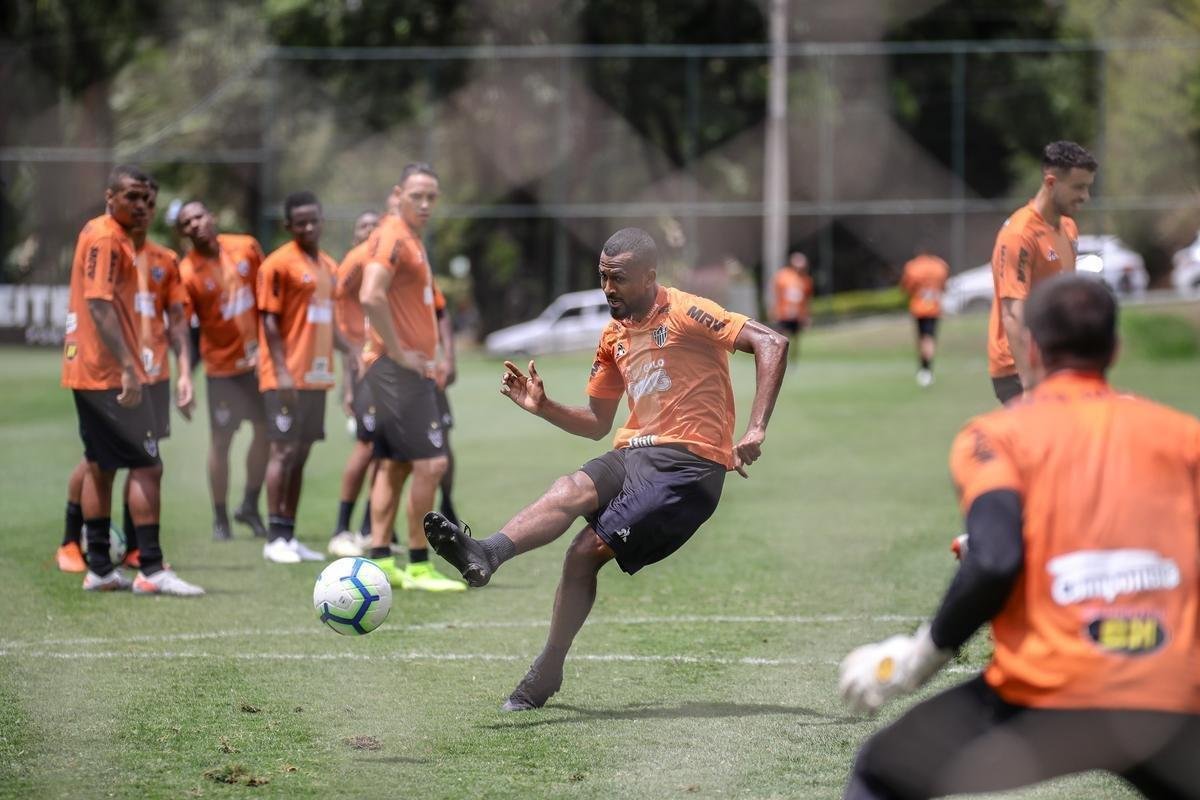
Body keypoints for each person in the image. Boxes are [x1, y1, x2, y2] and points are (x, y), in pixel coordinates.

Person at [839, 273, 1200, 799]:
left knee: (881, 774)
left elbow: (995, 560)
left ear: (1030, 348)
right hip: (1165, 691)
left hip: (1047, 690)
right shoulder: (1184, 437)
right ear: (1116, 348)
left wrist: (917, 660)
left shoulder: (995, 435)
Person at [423, 227, 789, 710]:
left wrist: (755, 428)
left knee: (581, 554)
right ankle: (486, 553)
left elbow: (771, 342)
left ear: (649, 276)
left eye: (618, 279)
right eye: (602, 277)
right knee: (570, 487)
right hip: (635, 453)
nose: (608, 289)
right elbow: (597, 423)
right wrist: (543, 405)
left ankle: (548, 668)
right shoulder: (613, 335)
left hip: (688, 467)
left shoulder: (686, 312)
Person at [60, 164, 204, 595]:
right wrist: (127, 368)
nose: (142, 206)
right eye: (132, 198)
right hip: (108, 372)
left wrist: (178, 373)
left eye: (147, 200)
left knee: (104, 467)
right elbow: (100, 306)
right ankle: (151, 569)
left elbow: (176, 317)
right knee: (146, 464)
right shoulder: (105, 237)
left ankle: (102, 567)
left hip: (116, 370)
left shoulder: (140, 249)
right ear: (110, 197)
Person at [358, 163, 464, 592]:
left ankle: (382, 559)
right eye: (416, 195)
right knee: (433, 463)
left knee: (395, 464)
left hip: (396, 369)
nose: (424, 203)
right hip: (397, 370)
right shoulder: (393, 235)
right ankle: (418, 564)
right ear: (398, 193)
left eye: (431, 197)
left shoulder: (412, 239)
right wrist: (400, 353)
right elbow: (369, 294)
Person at [257, 190, 345, 564]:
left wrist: (353, 353)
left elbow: (334, 322)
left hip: (316, 376)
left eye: (314, 220)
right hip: (286, 377)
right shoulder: (277, 265)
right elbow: (269, 321)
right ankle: (274, 536)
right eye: (301, 222)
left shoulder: (328, 265)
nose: (309, 227)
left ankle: (289, 535)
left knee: (301, 454)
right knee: (283, 451)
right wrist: (281, 372)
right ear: (288, 226)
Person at [177, 200, 270, 540]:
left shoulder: (245, 247)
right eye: (186, 223)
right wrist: (184, 375)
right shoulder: (187, 273)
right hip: (222, 369)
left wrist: (269, 349)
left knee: (267, 435)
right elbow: (185, 329)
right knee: (222, 442)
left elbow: (266, 298)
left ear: (212, 217)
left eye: (199, 216)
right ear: (182, 232)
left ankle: (249, 504)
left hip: (259, 363)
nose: (195, 225)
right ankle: (220, 517)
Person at [988, 140, 1096, 403]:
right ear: (1051, 183)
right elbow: (1013, 315)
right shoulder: (1019, 234)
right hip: (1019, 367)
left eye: (1088, 187)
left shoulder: (1068, 227)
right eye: (1078, 187)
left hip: (1057, 359)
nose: (1085, 196)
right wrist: (1029, 384)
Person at [329, 210, 381, 558]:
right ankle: (341, 530)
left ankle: (367, 529)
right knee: (365, 447)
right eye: (363, 226)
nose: (370, 231)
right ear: (354, 236)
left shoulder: (384, 269)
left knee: (385, 453)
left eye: (375, 226)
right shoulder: (354, 262)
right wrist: (349, 382)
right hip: (367, 373)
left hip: (390, 372)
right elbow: (336, 318)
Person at [898, 248, 949, 387]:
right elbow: (944, 286)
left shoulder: (913, 266)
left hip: (919, 307)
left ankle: (925, 369)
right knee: (930, 338)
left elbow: (906, 286)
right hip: (934, 307)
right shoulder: (940, 265)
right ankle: (926, 368)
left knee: (923, 338)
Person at [771, 251, 813, 362]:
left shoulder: (806, 280)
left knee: (795, 339)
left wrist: (806, 316)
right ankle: (778, 359)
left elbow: (807, 300)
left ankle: (792, 360)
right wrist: (774, 311)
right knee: (781, 338)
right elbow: (776, 295)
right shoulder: (783, 276)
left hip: (797, 316)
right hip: (783, 314)